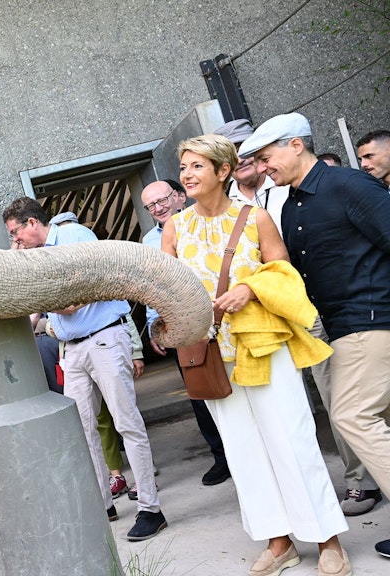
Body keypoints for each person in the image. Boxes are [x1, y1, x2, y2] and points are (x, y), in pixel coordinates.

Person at [160, 132, 350, 576]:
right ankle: (278, 540)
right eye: (183, 167)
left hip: (263, 346)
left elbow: (285, 276)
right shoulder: (175, 227)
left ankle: (326, 537)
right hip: (210, 354)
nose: (186, 175)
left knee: (294, 439)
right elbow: (163, 288)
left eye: (196, 166)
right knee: (244, 451)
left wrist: (249, 287)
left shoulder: (256, 217)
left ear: (223, 171)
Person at [240, 113, 390, 561]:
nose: (264, 167)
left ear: (295, 146)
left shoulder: (349, 185)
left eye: (268, 158)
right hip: (343, 326)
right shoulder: (293, 202)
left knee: (351, 417)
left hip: (370, 319)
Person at [3, 199, 167, 542]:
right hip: (73, 349)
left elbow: (75, 300)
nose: (15, 242)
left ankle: (151, 508)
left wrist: (39, 301)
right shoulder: (35, 255)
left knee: (125, 421)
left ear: (32, 223)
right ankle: (102, 504)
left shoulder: (75, 236)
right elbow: (39, 310)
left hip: (104, 338)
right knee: (82, 429)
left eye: (16, 233)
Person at [140, 179, 230, 488]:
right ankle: (221, 456)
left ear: (179, 196)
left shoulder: (205, 220)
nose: (158, 207)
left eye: (162, 199)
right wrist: (155, 326)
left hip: (226, 318)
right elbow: (151, 287)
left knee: (237, 384)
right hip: (185, 329)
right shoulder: (149, 241)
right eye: (150, 205)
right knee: (201, 391)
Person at [214, 119, 290, 233]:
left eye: (244, 151)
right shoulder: (221, 200)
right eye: (230, 156)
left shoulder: (287, 183)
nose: (239, 160)